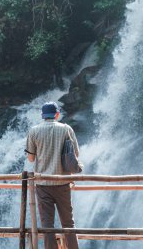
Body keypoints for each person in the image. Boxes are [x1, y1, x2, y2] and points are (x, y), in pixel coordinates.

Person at [25, 101, 80, 249]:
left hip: (43, 184)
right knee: (68, 222)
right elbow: (75, 155)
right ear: (57, 114)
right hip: (63, 182)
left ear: (43, 115)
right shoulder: (66, 129)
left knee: (47, 224)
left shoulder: (34, 131)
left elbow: (31, 158)